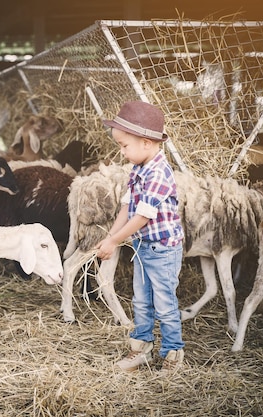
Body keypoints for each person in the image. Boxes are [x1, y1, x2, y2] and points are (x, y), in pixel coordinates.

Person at [95, 100, 185, 373]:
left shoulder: (159, 173)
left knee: (165, 303)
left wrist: (114, 242)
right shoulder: (137, 170)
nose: (122, 152)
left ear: (146, 143)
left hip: (163, 249)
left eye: (124, 146)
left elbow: (142, 216)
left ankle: (173, 355)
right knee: (141, 300)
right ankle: (141, 349)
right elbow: (127, 206)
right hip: (142, 246)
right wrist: (110, 235)